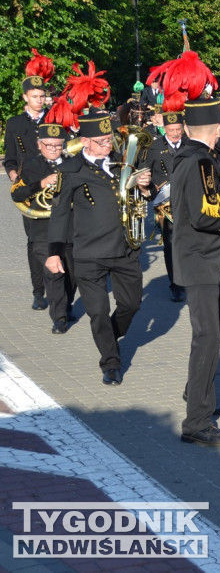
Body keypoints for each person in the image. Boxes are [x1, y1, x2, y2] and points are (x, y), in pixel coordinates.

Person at [46, 108, 152, 386]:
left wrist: (143, 186)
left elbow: (138, 200)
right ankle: (111, 362)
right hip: (89, 255)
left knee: (131, 304)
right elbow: (59, 213)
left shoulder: (121, 162)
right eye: (103, 140)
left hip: (125, 249)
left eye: (110, 139)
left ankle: (110, 336)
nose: (109, 144)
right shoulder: (70, 170)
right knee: (97, 312)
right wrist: (54, 252)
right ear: (87, 141)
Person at [173, 97, 220, 444]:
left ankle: (196, 392)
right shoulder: (202, 161)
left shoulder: (186, 157)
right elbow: (205, 216)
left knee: (209, 334)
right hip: (201, 260)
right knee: (208, 339)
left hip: (198, 259)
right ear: (217, 130)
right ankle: (198, 422)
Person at [11, 120, 78, 333]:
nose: (53, 150)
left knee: (73, 273)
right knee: (54, 272)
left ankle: (66, 305)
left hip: (70, 227)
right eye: (48, 145)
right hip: (43, 229)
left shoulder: (74, 164)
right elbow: (17, 193)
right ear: (39, 144)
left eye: (57, 145)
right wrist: (41, 184)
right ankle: (59, 317)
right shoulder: (31, 165)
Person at [6, 53, 53, 310]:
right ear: (25, 97)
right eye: (34, 96)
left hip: (54, 186)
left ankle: (61, 291)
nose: (39, 100)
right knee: (35, 242)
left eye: (42, 96)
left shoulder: (54, 120)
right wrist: (15, 179)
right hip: (29, 190)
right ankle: (39, 291)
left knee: (63, 238)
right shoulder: (14, 124)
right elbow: (10, 159)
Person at [144, 108, 187, 302]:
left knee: (187, 243)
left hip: (188, 202)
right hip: (165, 204)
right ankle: (175, 284)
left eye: (179, 129)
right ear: (165, 129)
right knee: (170, 244)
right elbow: (145, 174)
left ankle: (187, 277)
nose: (176, 133)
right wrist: (150, 191)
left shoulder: (190, 145)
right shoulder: (154, 148)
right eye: (172, 130)